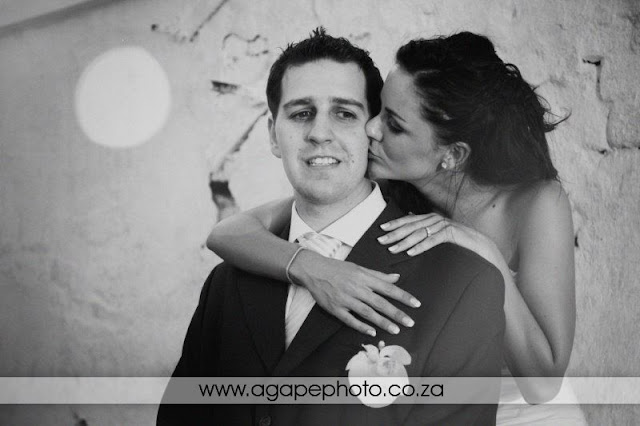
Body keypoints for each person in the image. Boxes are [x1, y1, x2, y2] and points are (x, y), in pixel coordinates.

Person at [206, 32, 586, 424]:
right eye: (379, 110)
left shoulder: (536, 203)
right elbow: (226, 234)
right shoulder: (391, 189)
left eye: (394, 124)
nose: (371, 128)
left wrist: (484, 251)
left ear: (452, 154)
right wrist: (316, 269)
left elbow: (542, 384)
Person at [158, 28, 505, 425]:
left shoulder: (462, 283)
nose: (319, 133)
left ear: (373, 130)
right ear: (273, 134)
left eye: (344, 114)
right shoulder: (226, 283)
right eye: (301, 113)